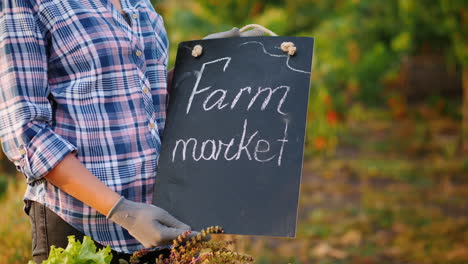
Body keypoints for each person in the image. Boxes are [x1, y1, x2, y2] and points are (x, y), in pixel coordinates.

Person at [0, 0, 262, 263]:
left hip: (160, 223)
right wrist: (122, 210)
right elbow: (26, 133)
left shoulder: (137, 2)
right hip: (83, 229)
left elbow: (144, 97)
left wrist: (204, 64)